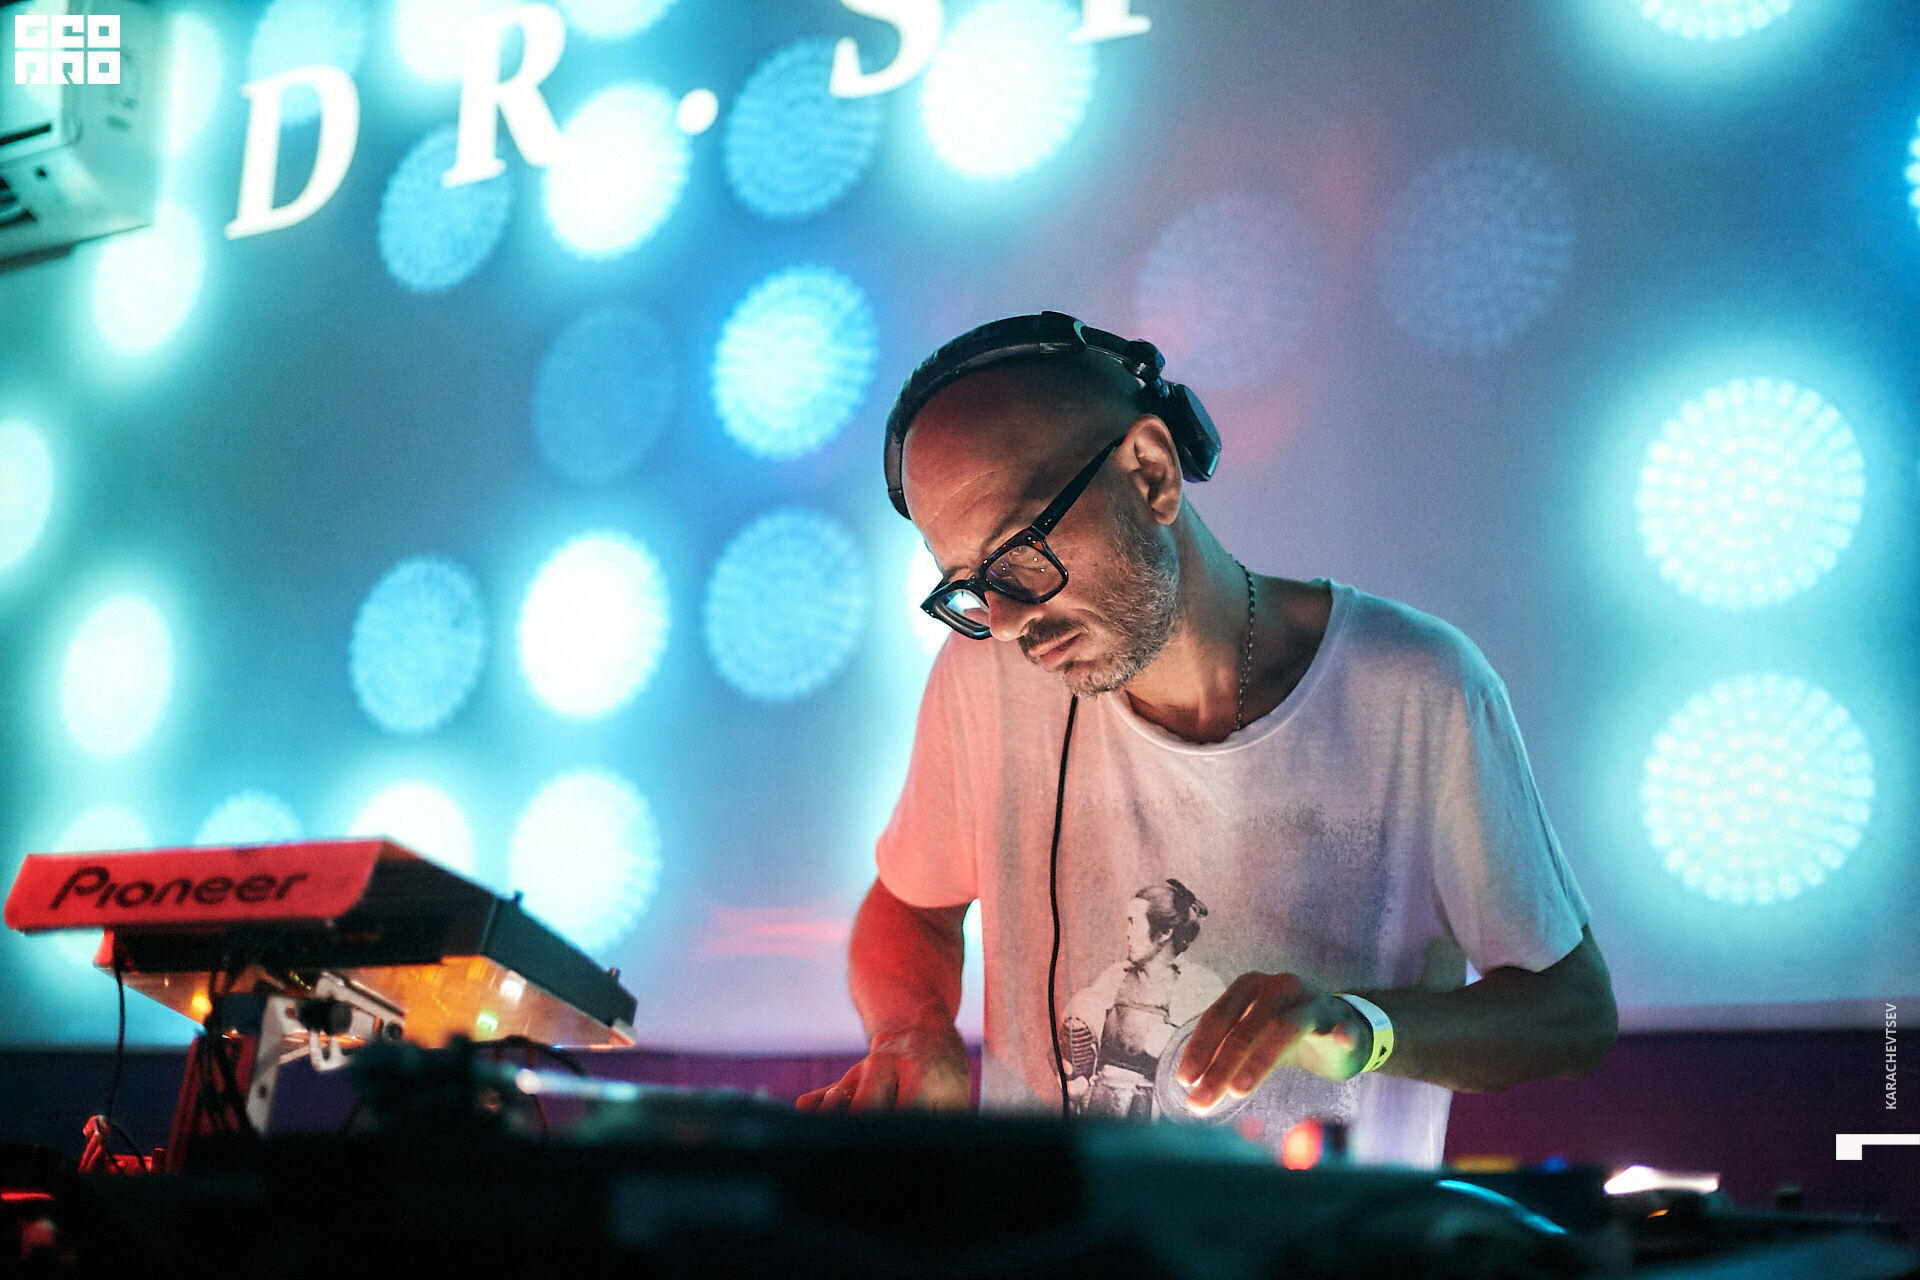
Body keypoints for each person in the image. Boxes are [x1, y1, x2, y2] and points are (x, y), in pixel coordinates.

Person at [797, 314, 1617, 1166]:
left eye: (1021, 553)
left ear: (1151, 474)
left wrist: (1363, 1026)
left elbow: (1572, 1016)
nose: (1003, 623)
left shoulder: (1417, 686)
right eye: (967, 586)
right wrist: (911, 1031)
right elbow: (910, 907)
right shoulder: (985, 680)